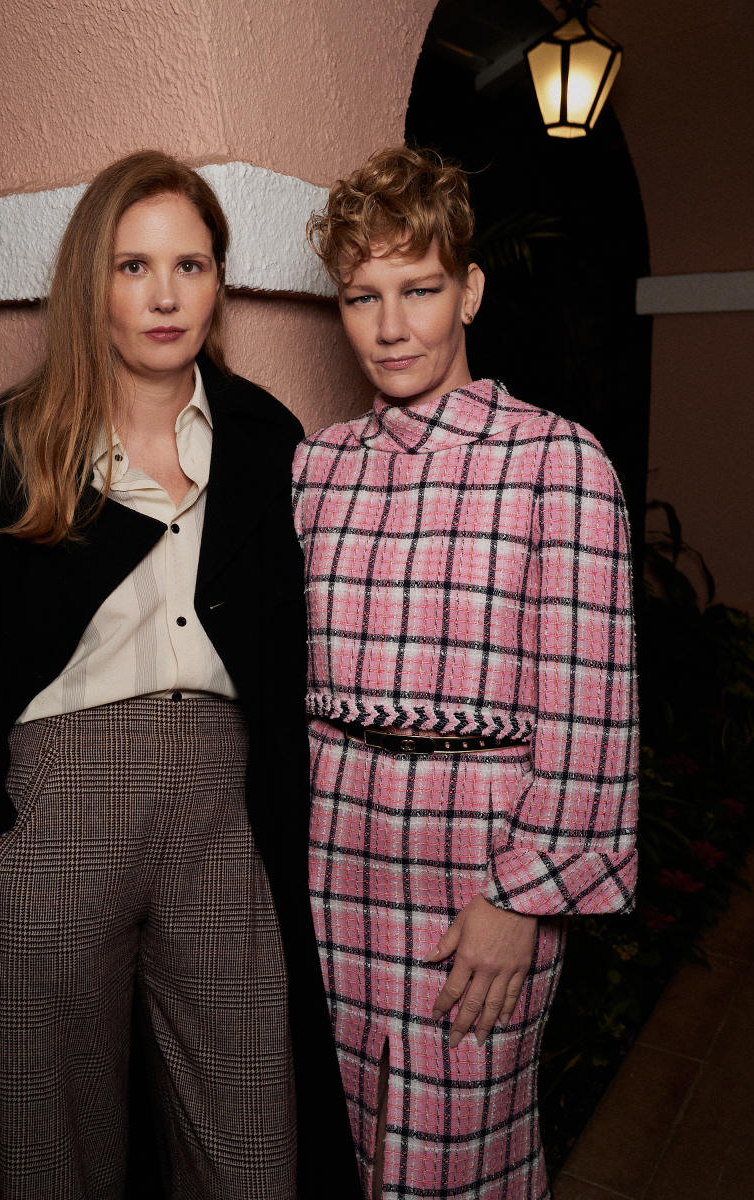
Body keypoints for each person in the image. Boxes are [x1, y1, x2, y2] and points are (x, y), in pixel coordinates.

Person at [0, 150, 358, 1199]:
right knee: (38, 1132)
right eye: (132, 266)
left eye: (191, 265)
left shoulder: (263, 441)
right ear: (90, 284)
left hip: (219, 800)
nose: (165, 295)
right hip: (55, 802)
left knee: (248, 1120)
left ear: (218, 281)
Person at [292, 145, 638, 1199]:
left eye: (420, 289)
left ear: (469, 289)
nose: (391, 326)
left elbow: (592, 710)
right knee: (342, 1145)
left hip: (477, 880)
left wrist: (525, 898)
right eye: (362, 296)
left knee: (456, 1166)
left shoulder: (558, 462)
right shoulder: (316, 467)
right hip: (333, 862)